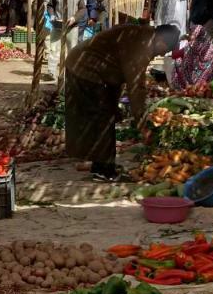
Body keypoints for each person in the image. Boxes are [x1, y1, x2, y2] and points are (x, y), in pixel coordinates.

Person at [65, 24, 180, 180]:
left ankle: (99, 164)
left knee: (105, 114)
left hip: (87, 65)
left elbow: (116, 76)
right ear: (160, 40)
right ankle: (104, 170)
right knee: (103, 117)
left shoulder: (142, 36)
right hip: (84, 66)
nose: (160, 54)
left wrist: (115, 104)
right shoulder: (142, 45)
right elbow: (136, 87)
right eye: (164, 50)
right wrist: (142, 124)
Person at [171, 24, 213, 92]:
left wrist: (180, 40)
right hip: (211, 83)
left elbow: (174, 55)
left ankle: (186, 86)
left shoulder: (191, 46)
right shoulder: (210, 47)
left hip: (192, 83)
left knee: (178, 61)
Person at [55, 0, 88, 64]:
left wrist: (74, 18)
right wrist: (53, 15)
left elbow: (83, 9)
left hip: (73, 25)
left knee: (72, 49)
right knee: (54, 49)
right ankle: (51, 72)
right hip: (58, 25)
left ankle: (71, 68)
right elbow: (50, 5)